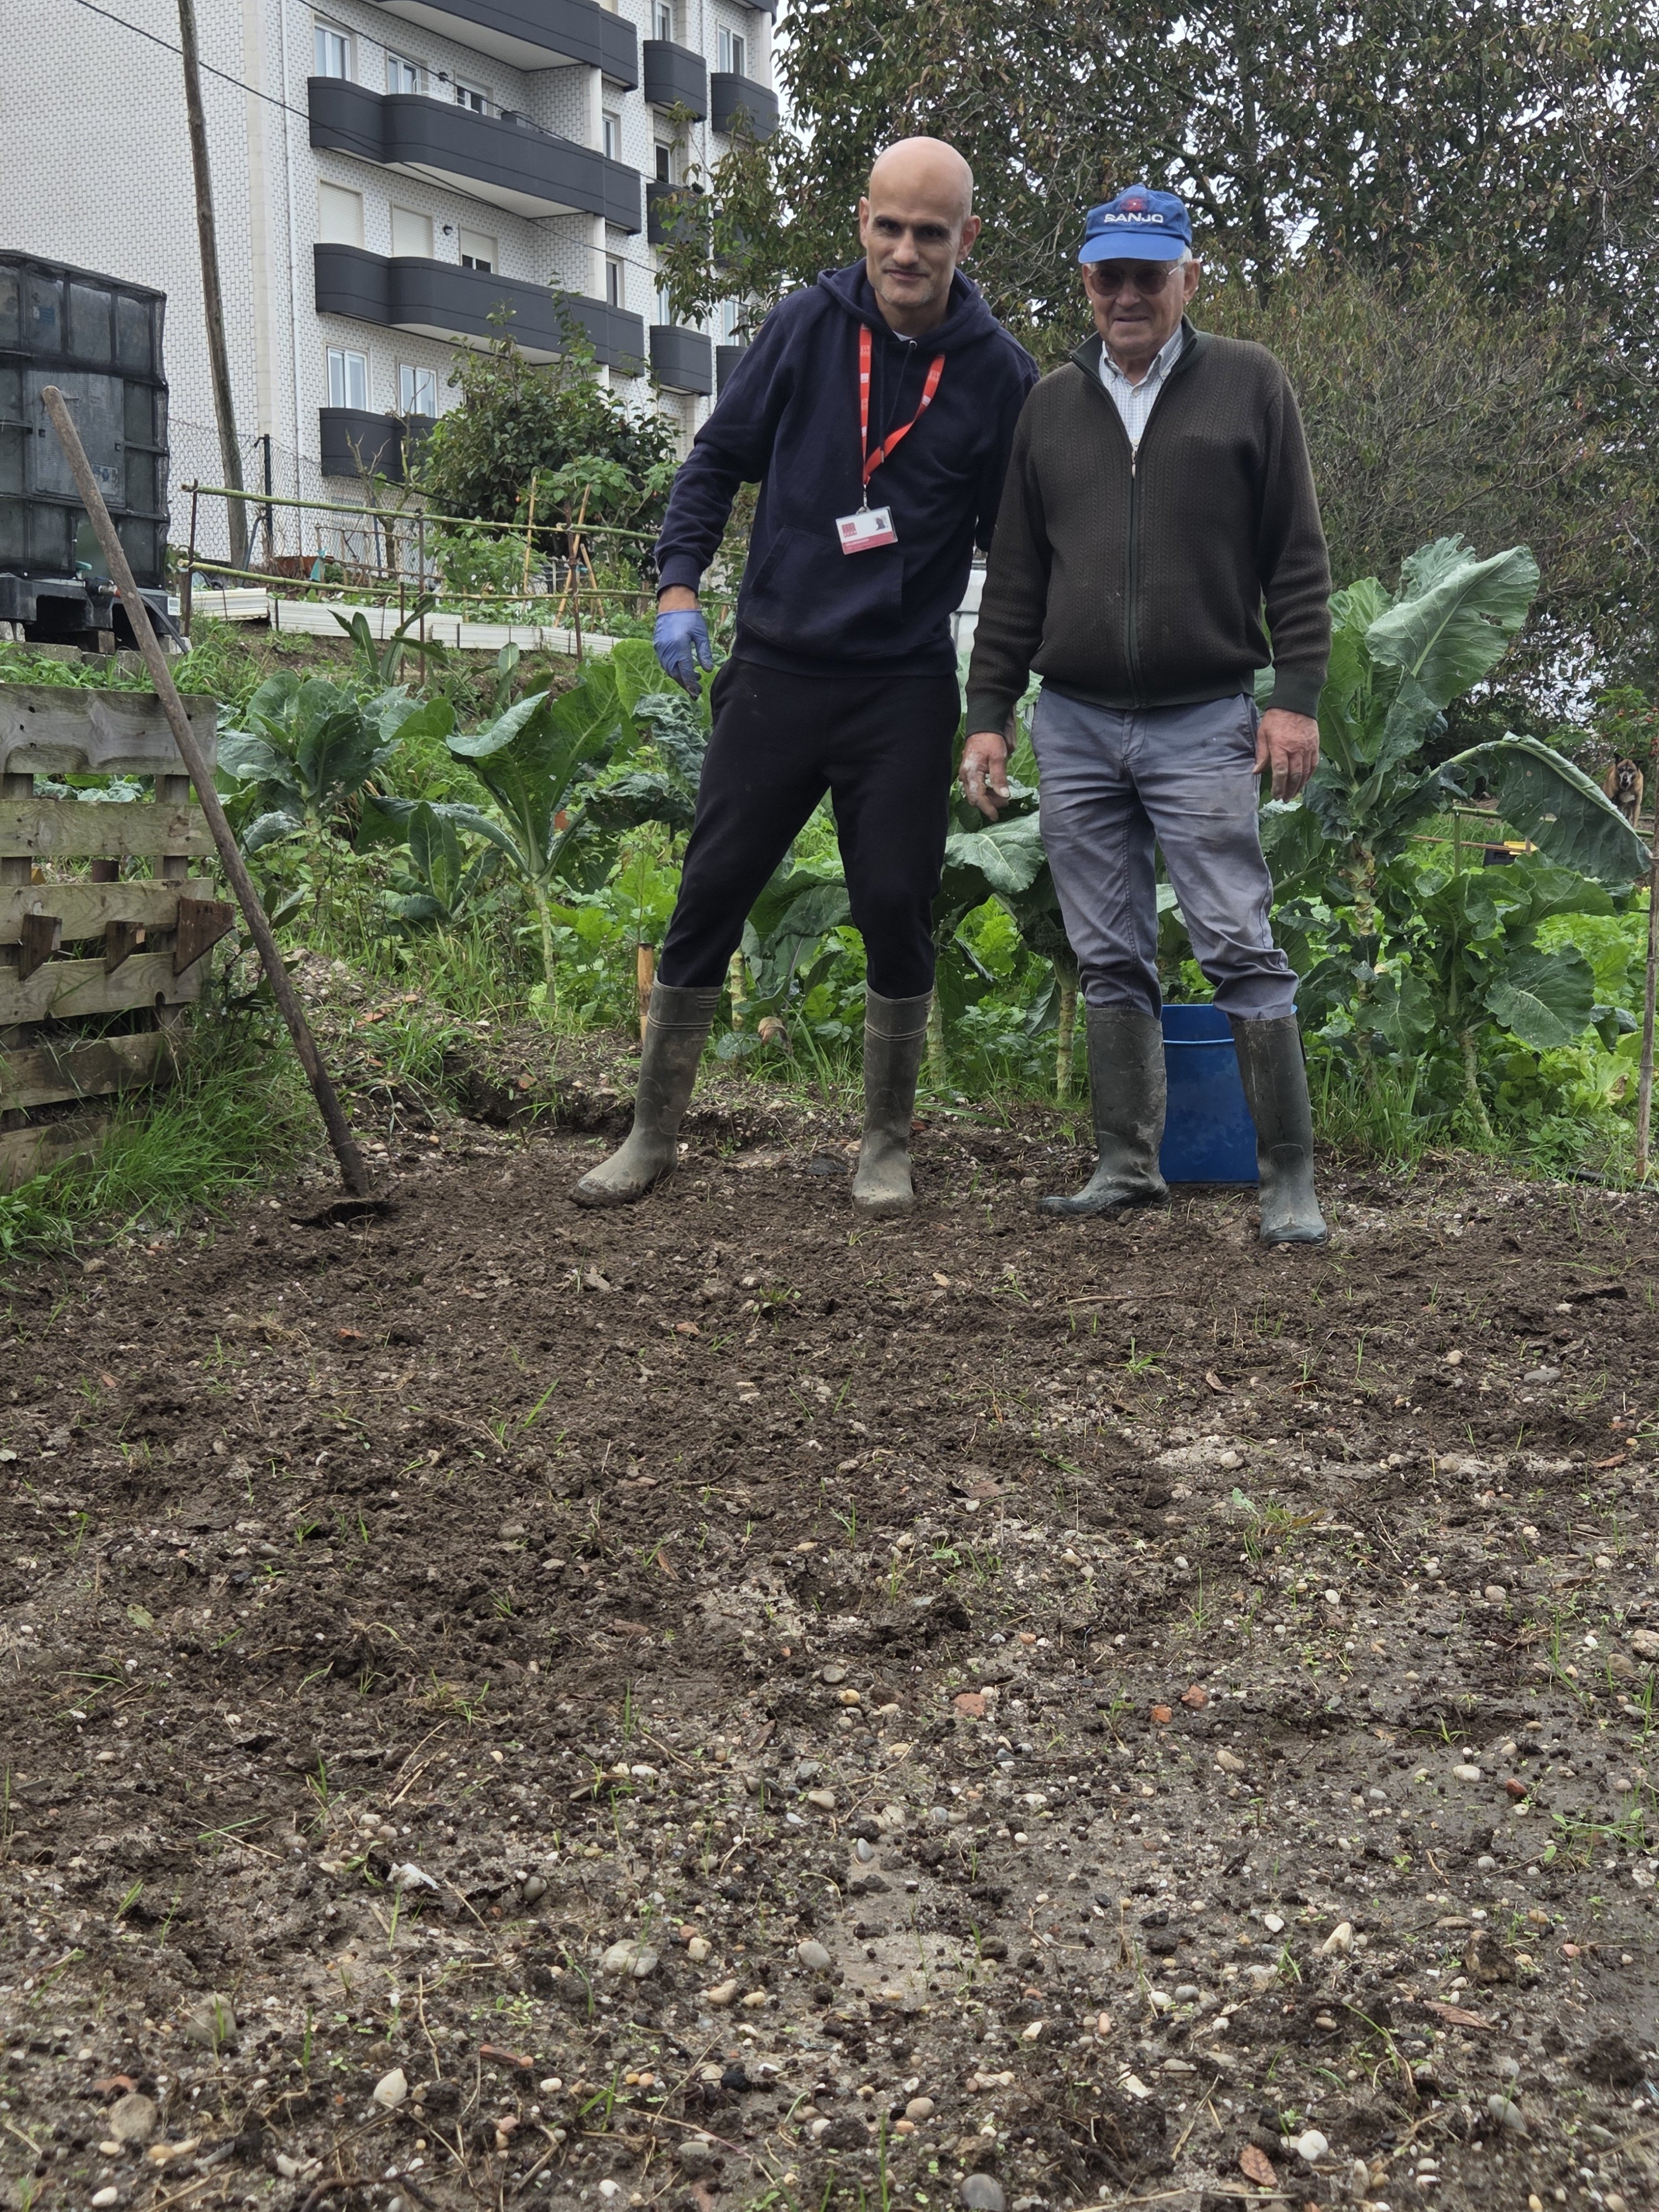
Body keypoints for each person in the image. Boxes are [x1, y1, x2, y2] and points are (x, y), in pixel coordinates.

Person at [572, 137, 1038, 1215]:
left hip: (903, 686)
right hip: (776, 668)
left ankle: (884, 1141)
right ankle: (649, 1133)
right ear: (862, 224)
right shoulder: (805, 327)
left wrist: (993, 706)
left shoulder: (999, 375)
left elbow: (1009, 558)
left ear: (967, 239)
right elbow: (716, 460)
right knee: (710, 893)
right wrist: (678, 584)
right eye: (890, 226)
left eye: (932, 232)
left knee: (893, 899)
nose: (907, 250)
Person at [959, 185, 1332, 1244]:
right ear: (1086, 279)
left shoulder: (1250, 384)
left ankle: (1289, 1178)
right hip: (1072, 720)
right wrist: (988, 715)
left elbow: (1297, 560)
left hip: (1203, 716)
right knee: (1106, 946)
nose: (1127, 294)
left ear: (1188, 278)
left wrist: (1292, 699)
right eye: (1109, 275)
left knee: (1235, 939)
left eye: (1149, 275)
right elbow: (1016, 579)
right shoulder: (1049, 404)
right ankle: (1127, 1164)